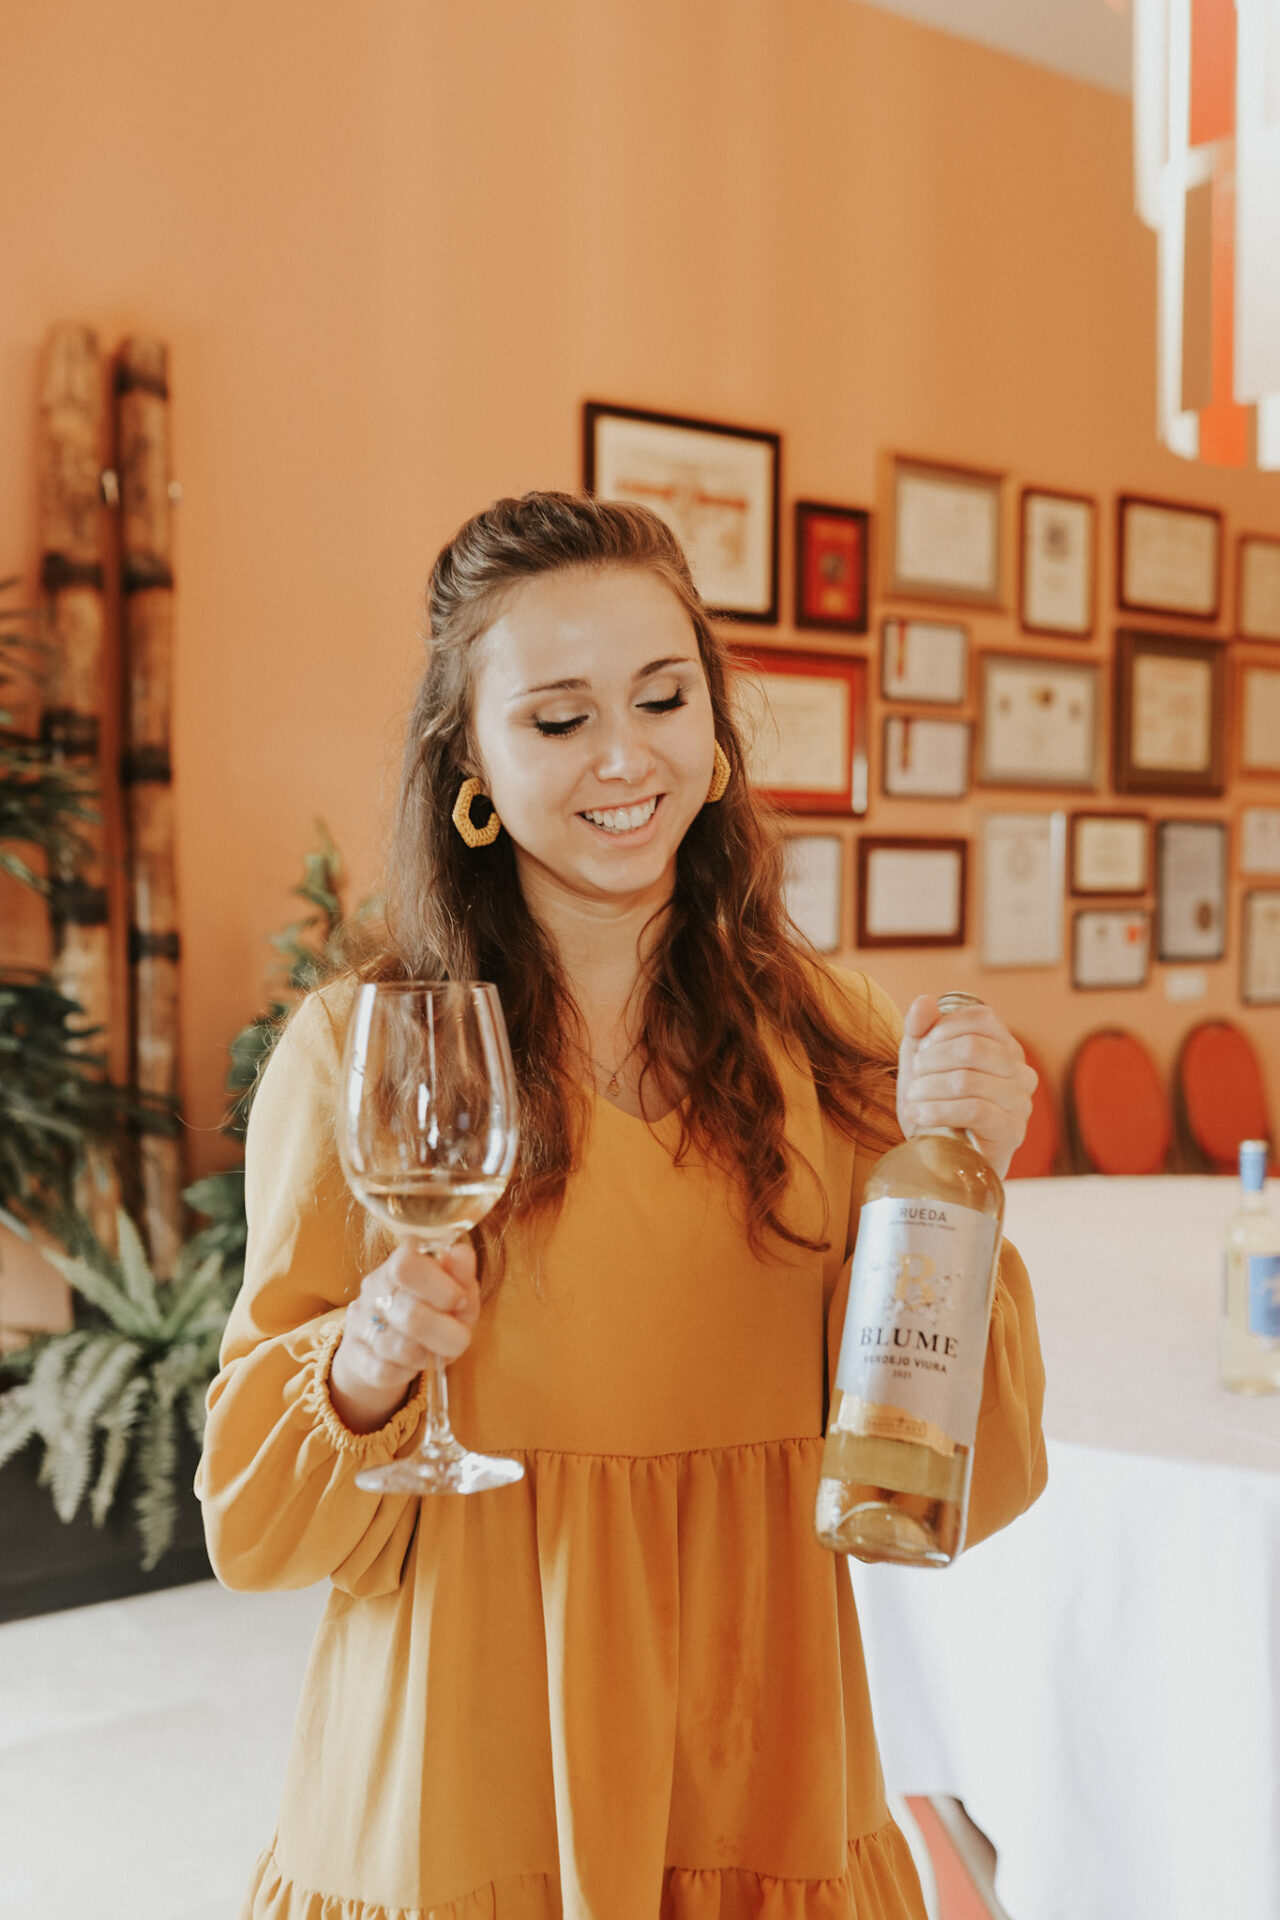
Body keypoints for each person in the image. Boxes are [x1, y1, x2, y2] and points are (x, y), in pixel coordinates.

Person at [198, 490, 1046, 1920]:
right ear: (467, 756)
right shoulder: (360, 1051)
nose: (624, 757)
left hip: (755, 1756)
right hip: (464, 1782)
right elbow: (252, 1527)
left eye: (662, 697)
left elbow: (959, 1473)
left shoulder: (840, 1038)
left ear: (715, 730)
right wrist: (365, 1361)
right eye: (556, 718)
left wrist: (970, 1180)